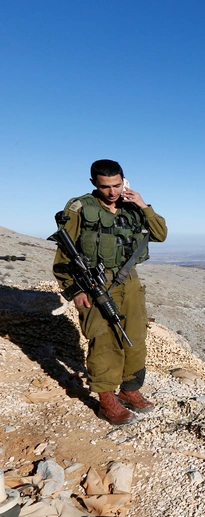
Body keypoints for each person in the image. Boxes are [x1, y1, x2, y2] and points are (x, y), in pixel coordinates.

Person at [52, 159, 167, 424]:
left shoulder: (132, 207)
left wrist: (142, 204)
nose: (112, 192)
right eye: (105, 187)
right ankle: (106, 400)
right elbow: (63, 252)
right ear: (94, 183)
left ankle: (129, 390)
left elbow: (160, 234)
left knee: (136, 336)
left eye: (116, 185)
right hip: (94, 284)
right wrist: (74, 290)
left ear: (123, 181)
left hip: (129, 282)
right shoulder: (80, 208)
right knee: (104, 341)